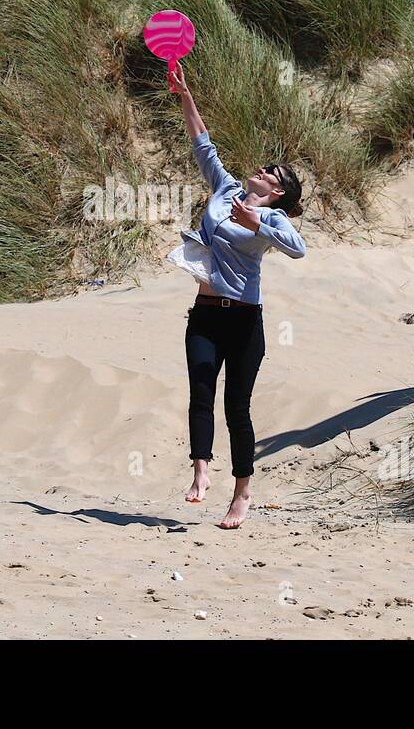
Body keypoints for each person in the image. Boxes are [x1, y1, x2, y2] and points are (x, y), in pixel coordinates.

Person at [169, 64, 306, 529]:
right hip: (205, 313)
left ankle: (243, 492)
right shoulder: (225, 189)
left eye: (272, 171)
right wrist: (185, 93)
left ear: (278, 190)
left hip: (245, 321)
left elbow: (298, 250)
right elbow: (201, 140)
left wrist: (258, 224)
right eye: (264, 166)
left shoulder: (277, 220)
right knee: (200, 390)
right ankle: (201, 471)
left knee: (237, 409)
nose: (262, 168)